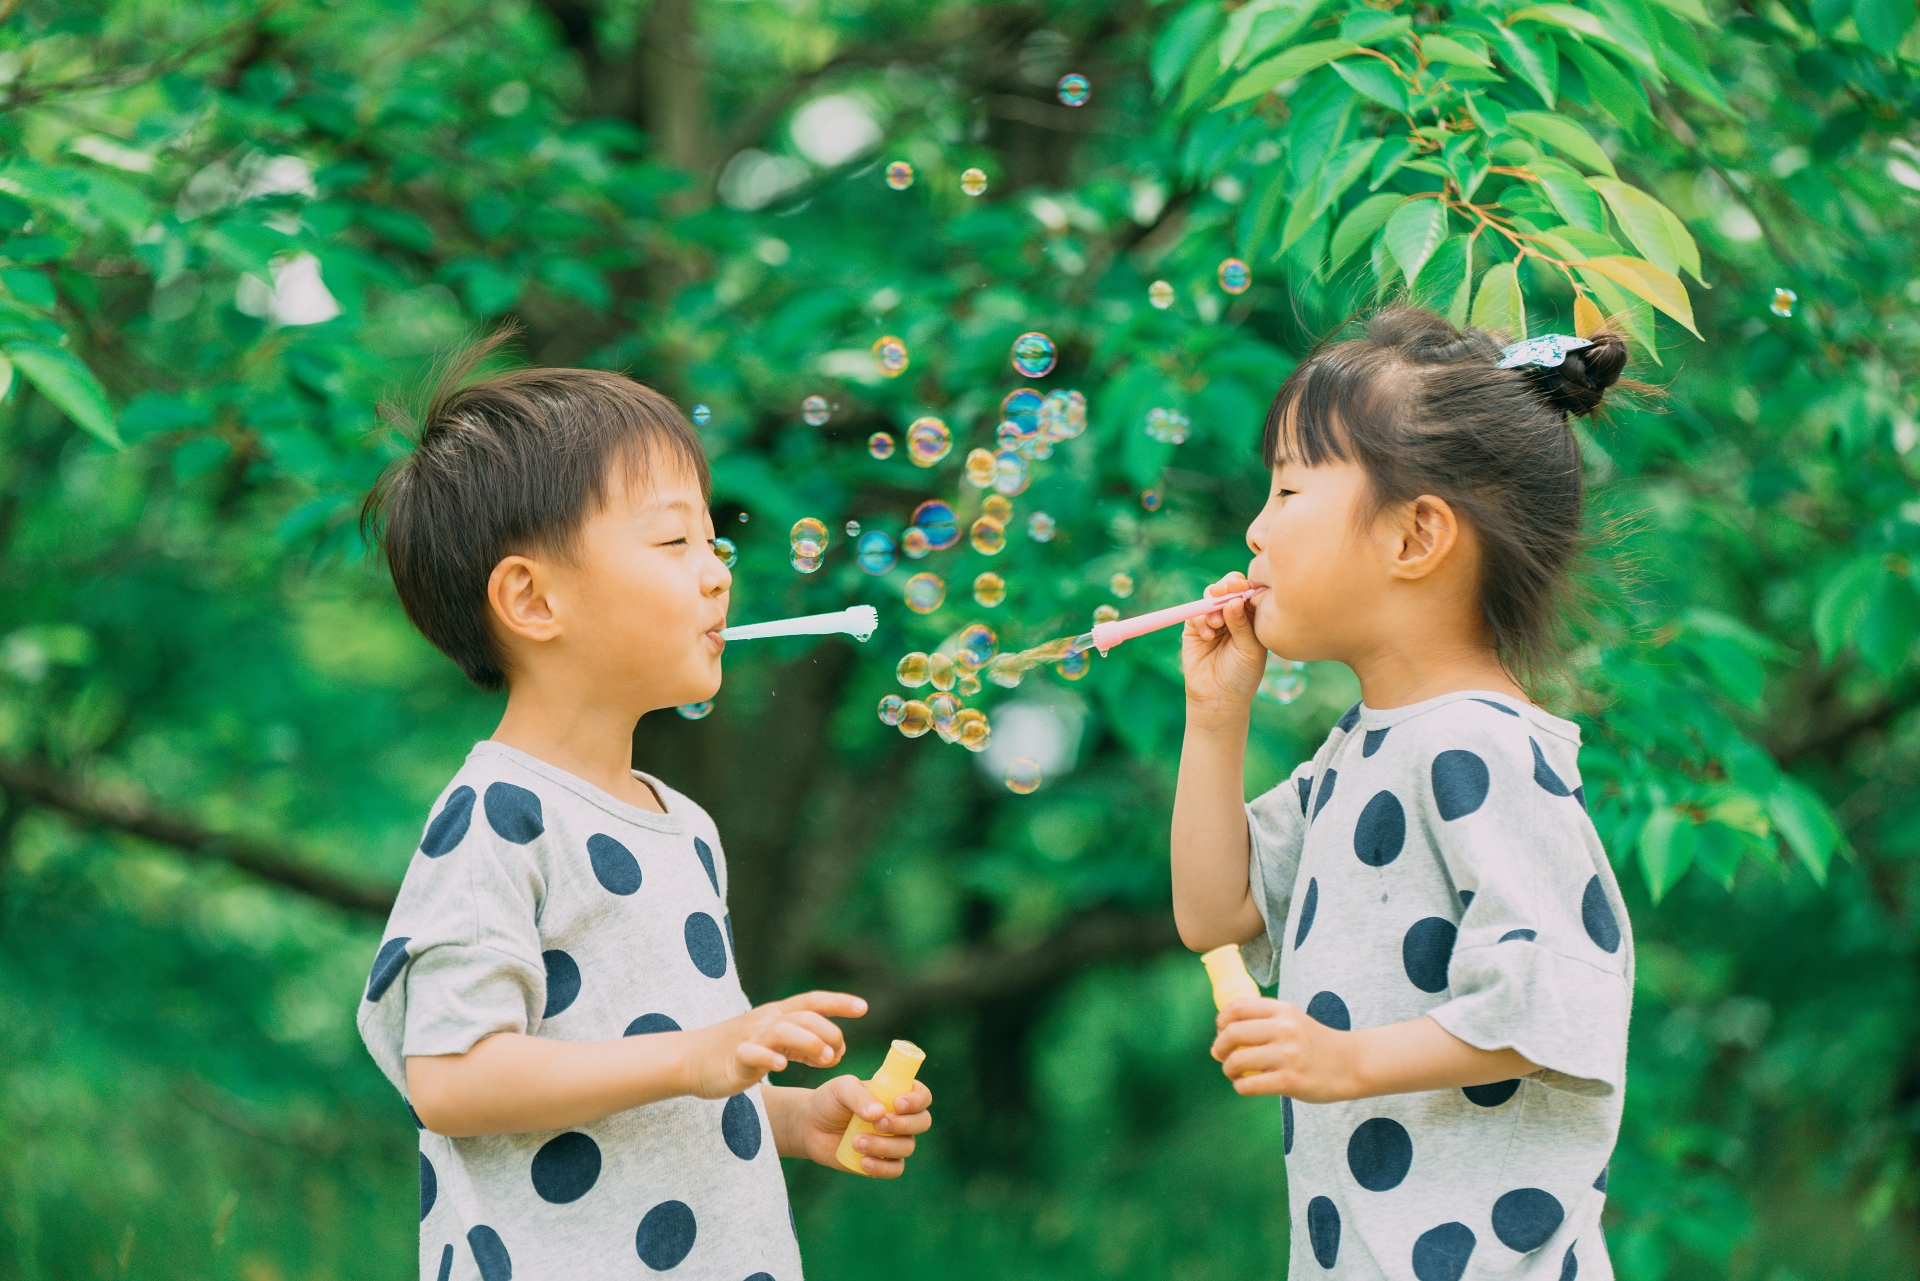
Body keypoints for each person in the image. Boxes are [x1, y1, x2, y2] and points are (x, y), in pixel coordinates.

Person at [355, 333, 931, 1281]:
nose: (716, 571)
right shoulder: (500, 814)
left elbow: (673, 1086)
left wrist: (789, 1117)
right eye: (674, 541)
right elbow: (454, 1076)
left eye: (717, 541)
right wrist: (698, 1054)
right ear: (532, 600)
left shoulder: (681, 826)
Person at [1171, 308, 1635, 1280]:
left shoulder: (1477, 746)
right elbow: (1215, 910)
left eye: (1291, 488)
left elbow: (1556, 1000)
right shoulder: (1368, 747)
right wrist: (1216, 719)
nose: (1255, 527)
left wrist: (1346, 1062)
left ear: (1417, 534)